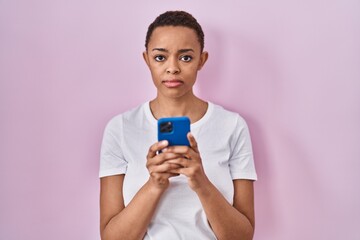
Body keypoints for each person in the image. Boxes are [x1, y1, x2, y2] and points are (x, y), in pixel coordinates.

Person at [99, 10, 257, 240]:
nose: (172, 68)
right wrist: (155, 184)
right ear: (147, 60)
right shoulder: (120, 128)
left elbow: (243, 237)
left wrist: (200, 182)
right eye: (160, 57)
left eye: (185, 57)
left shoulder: (232, 126)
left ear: (202, 60)